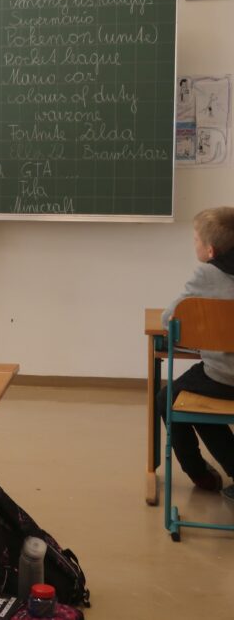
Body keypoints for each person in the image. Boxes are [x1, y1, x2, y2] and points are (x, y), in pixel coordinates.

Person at [160, 206, 234, 500]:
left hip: (222, 377)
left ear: (211, 251)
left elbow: (170, 320)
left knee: (168, 399)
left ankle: (198, 472)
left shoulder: (207, 274)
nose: (194, 245)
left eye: (195, 240)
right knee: (197, 406)